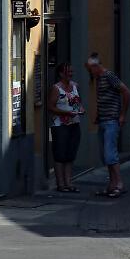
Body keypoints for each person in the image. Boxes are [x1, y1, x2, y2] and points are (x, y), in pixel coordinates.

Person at [85, 52, 130, 198]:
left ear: (96, 66)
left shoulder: (109, 76)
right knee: (105, 155)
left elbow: (126, 92)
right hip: (104, 120)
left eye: (90, 68)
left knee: (110, 154)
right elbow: (102, 99)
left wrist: (122, 114)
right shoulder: (98, 79)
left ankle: (119, 184)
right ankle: (112, 185)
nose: (89, 71)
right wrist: (98, 115)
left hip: (112, 120)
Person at [47, 61, 84, 193]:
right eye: (68, 72)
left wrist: (81, 109)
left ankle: (68, 183)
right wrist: (65, 113)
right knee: (59, 154)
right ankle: (60, 184)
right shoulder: (56, 88)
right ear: (61, 74)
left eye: (71, 71)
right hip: (60, 125)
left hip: (74, 123)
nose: (71, 74)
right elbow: (50, 106)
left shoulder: (75, 86)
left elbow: (78, 102)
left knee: (70, 154)